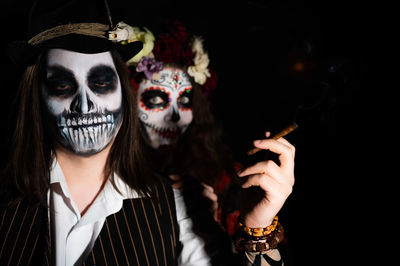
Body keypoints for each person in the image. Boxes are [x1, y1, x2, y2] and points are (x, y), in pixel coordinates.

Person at [1, 1, 295, 266]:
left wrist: (260, 228)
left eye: (102, 83)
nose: (85, 104)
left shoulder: (176, 208)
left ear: (121, 94)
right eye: (62, 86)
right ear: (36, 97)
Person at [128, 20, 296, 266]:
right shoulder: (96, 180)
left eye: (184, 100)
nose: (175, 115)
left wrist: (258, 227)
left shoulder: (228, 180)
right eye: (155, 99)